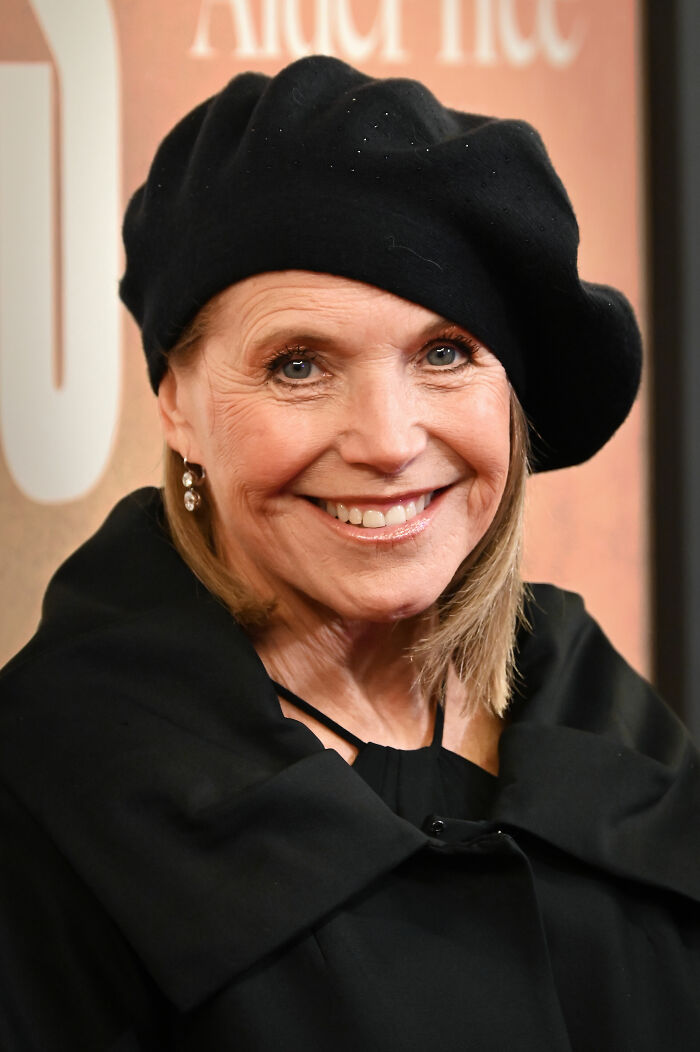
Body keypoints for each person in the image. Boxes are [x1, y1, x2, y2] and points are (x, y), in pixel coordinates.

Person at [1, 56, 698, 1052]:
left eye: (445, 352)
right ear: (175, 402)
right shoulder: (51, 792)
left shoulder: (597, 708)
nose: (385, 438)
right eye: (298, 364)